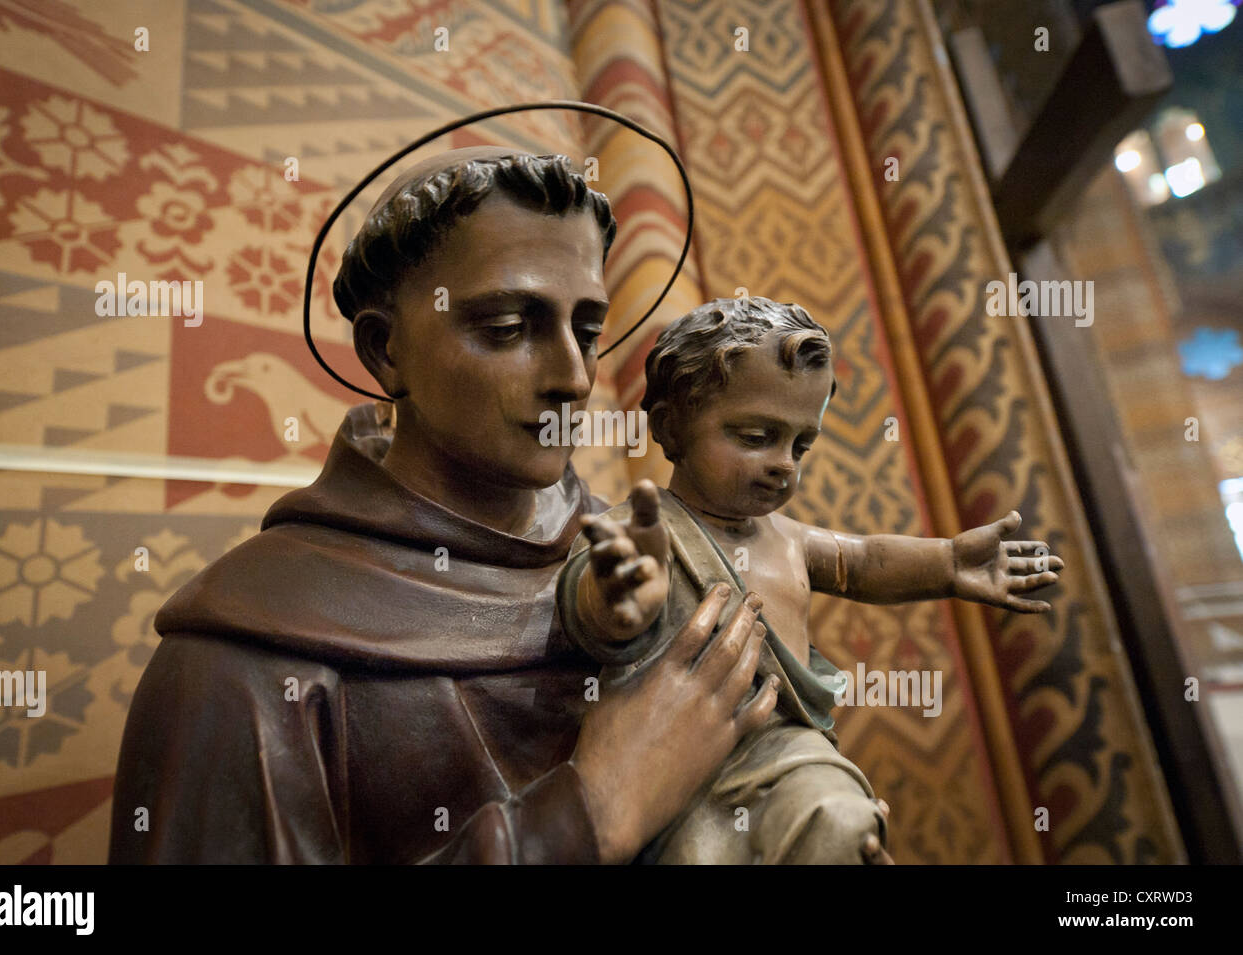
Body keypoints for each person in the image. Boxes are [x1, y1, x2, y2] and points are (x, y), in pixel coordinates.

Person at [108, 148, 780, 864]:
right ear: (385, 348)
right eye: (507, 329)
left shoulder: (643, 563)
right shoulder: (240, 662)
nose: (573, 376)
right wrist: (589, 814)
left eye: (586, 332)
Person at [559, 295, 1065, 863]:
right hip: (666, 762)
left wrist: (947, 563)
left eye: (802, 444)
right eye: (755, 437)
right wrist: (620, 601)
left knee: (840, 824)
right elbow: (585, 615)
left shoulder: (789, 539)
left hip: (788, 755)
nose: (784, 463)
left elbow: (864, 562)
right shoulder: (637, 534)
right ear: (670, 428)